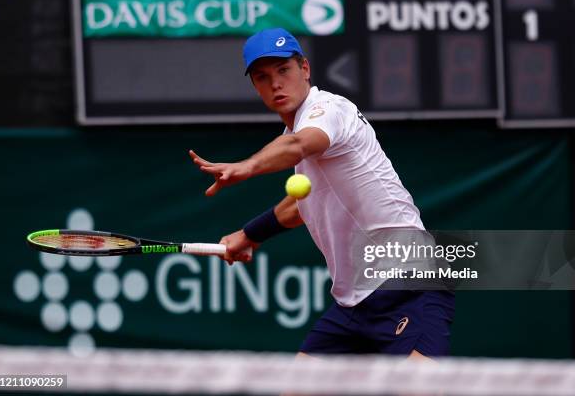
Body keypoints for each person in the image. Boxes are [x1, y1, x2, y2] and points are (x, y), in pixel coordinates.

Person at [189, 27, 454, 360]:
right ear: (255, 86)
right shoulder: (295, 131)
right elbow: (302, 205)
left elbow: (298, 145)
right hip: (352, 305)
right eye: (262, 77)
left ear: (305, 69)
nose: (275, 83)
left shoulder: (328, 110)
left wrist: (246, 167)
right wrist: (249, 235)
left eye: (283, 70)